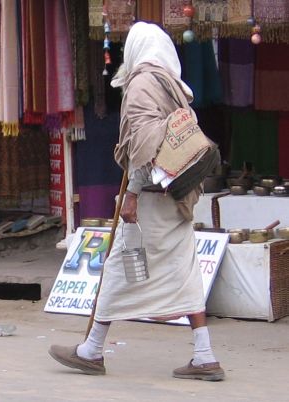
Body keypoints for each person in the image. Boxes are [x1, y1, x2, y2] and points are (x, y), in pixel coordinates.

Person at [49, 21, 225, 382]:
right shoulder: (172, 85)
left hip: (148, 199)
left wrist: (130, 196)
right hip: (176, 196)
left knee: (118, 267)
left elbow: (144, 146)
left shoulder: (143, 83)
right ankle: (205, 355)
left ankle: (92, 349)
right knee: (186, 270)